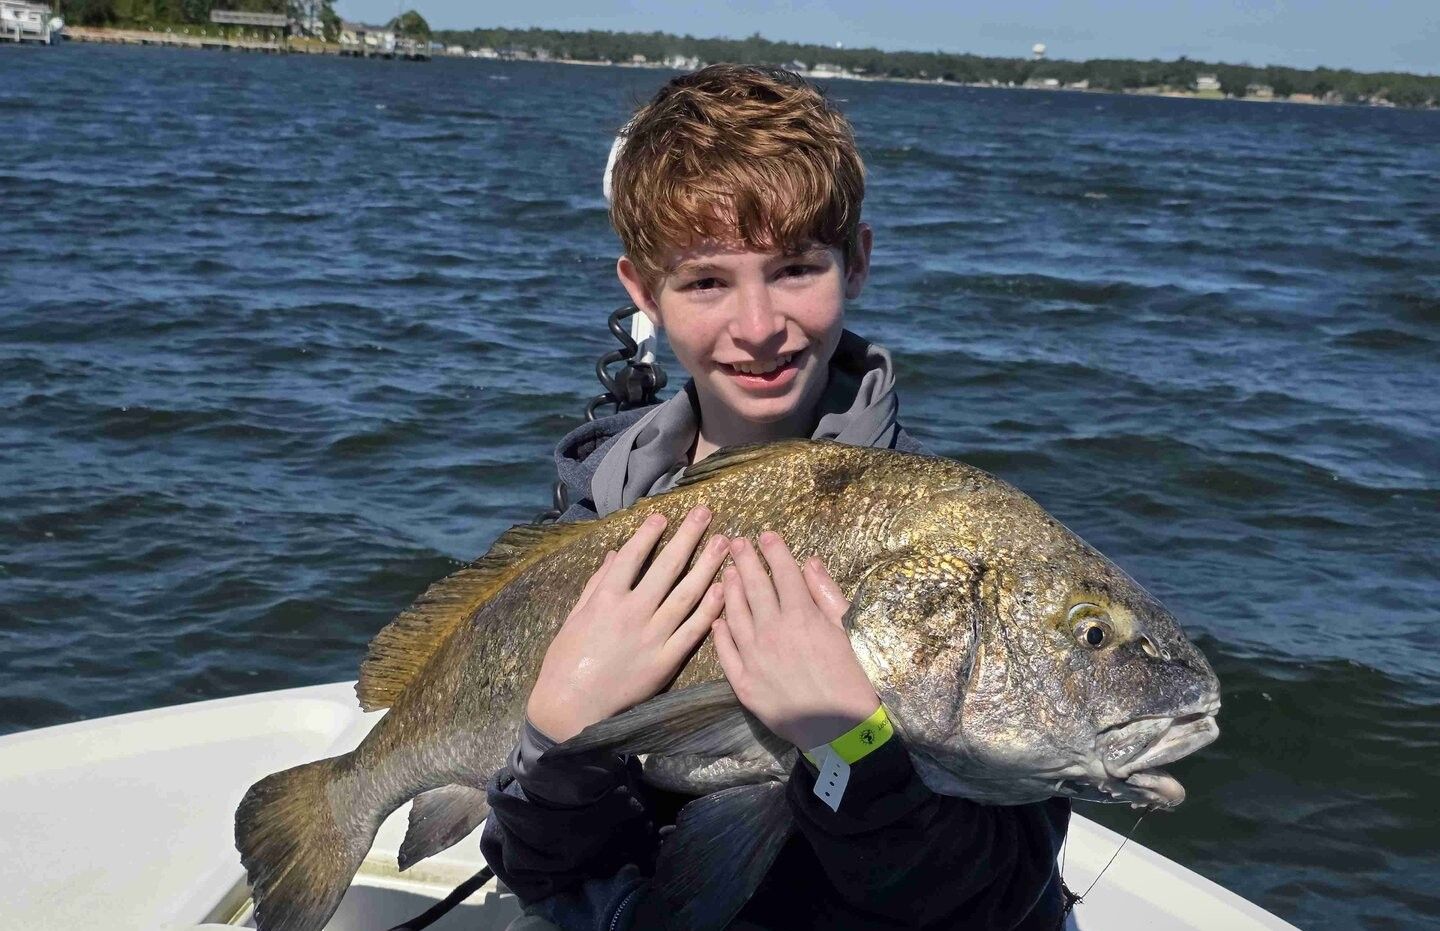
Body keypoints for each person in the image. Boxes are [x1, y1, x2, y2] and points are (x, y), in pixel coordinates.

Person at [480, 64, 1070, 930]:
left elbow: (986, 900)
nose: (758, 326)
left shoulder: (949, 538)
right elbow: (535, 863)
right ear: (643, 292)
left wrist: (851, 745)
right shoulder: (594, 515)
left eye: (796, 268)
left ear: (857, 261)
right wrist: (557, 737)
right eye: (705, 281)